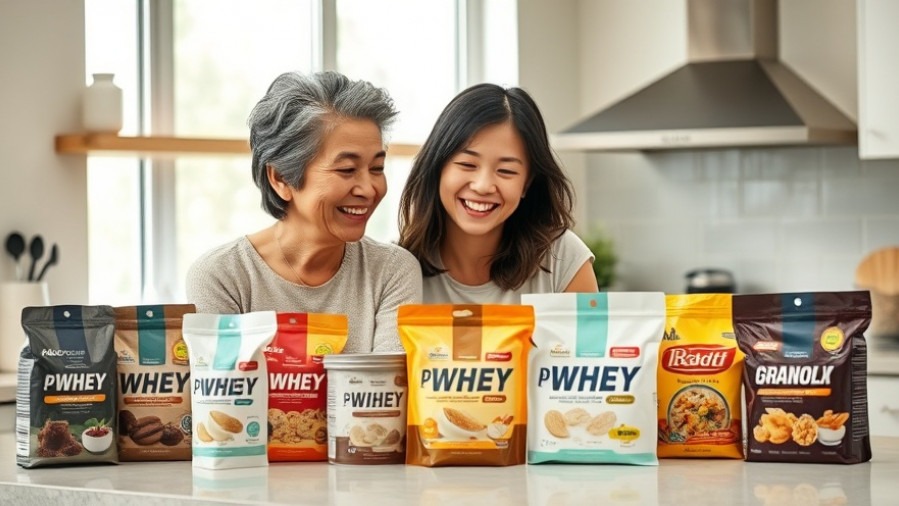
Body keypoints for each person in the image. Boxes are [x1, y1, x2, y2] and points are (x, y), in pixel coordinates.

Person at [186, 71, 422, 352]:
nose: (369, 189)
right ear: (281, 179)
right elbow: (220, 394)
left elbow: (385, 391)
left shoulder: (392, 271)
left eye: (377, 169)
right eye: (347, 169)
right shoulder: (224, 276)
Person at [398, 83, 597, 304]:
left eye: (506, 171)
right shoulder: (398, 271)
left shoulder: (563, 259)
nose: (483, 186)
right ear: (438, 169)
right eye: (467, 164)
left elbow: (592, 339)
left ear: (527, 183)